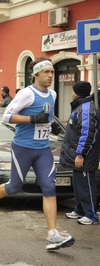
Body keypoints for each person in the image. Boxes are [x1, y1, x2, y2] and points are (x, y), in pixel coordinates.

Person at [0, 57, 75, 251]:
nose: (50, 75)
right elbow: (6, 116)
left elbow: (45, 115)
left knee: (49, 187)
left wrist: (51, 125)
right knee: (13, 187)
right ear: (35, 74)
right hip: (23, 148)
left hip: (43, 148)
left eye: (52, 72)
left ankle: (53, 234)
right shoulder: (27, 94)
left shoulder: (53, 94)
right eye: (46, 72)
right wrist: (32, 119)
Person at [60, 81, 100, 225]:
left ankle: (91, 215)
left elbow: (87, 133)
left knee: (86, 185)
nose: (71, 92)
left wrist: (81, 154)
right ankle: (80, 210)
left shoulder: (86, 109)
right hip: (78, 155)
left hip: (85, 157)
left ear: (77, 93)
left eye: (73, 90)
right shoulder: (80, 107)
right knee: (78, 185)